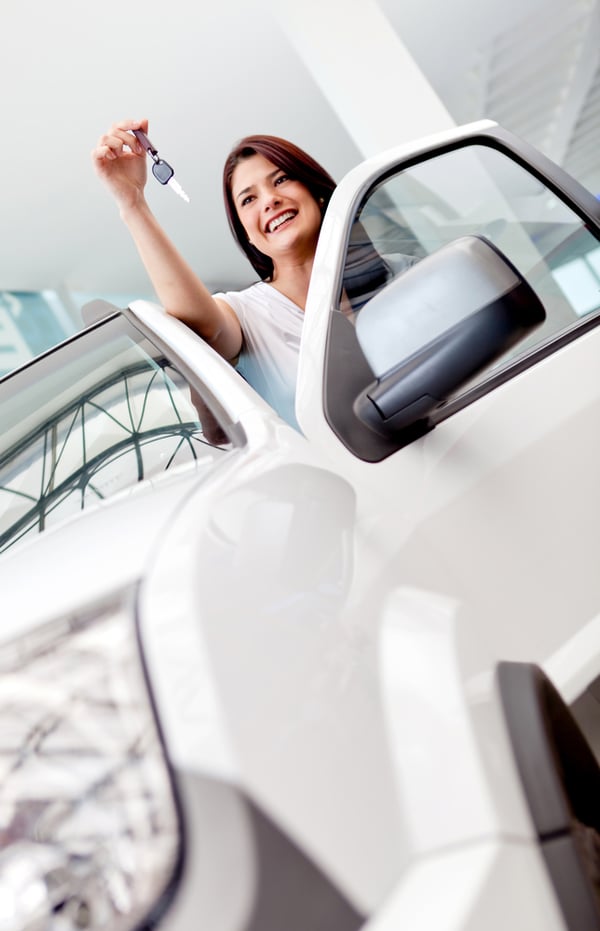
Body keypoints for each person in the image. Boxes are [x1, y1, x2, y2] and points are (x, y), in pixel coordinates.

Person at [91, 119, 337, 430]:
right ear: (246, 232)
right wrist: (133, 203)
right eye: (249, 199)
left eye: (281, 179)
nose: (270, 201)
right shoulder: (247, 314)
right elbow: (204, 328)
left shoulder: (398, 270)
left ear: (317, 192)